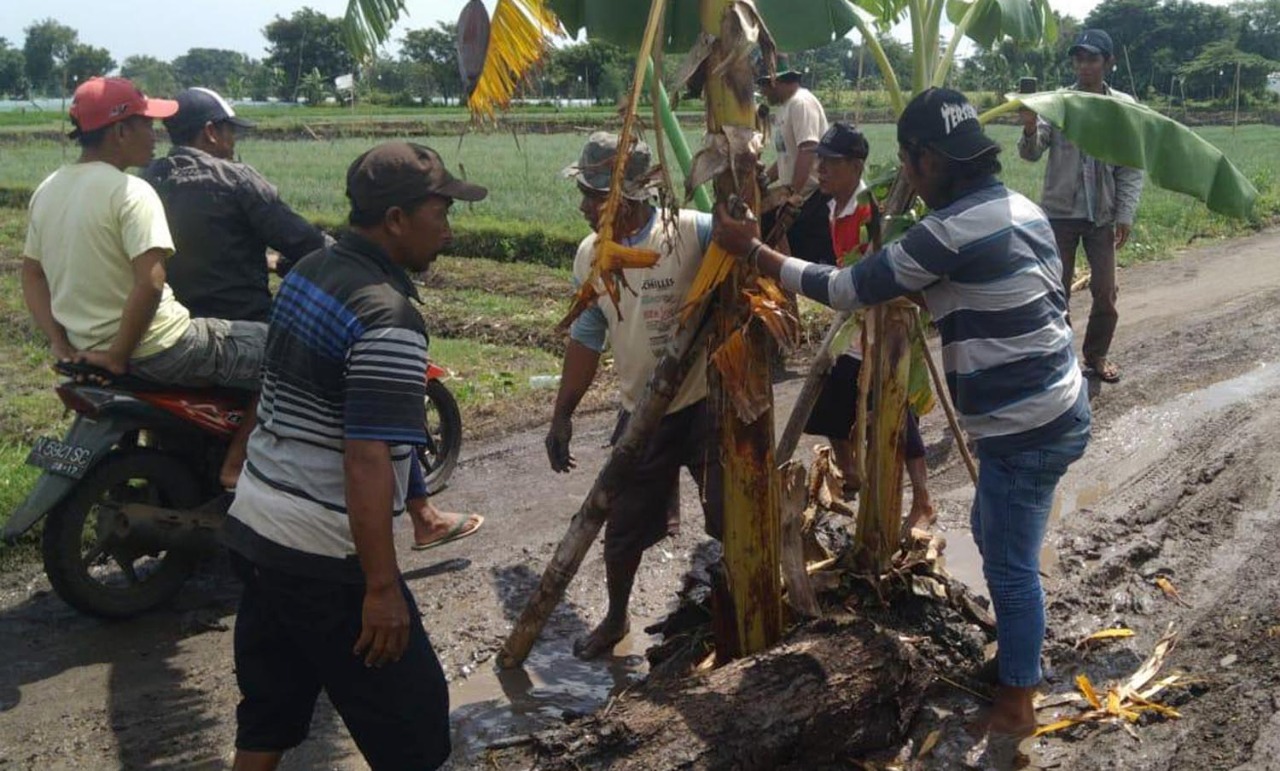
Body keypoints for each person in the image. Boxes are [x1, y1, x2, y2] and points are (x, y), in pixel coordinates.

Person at [713, 89, 1091, 739]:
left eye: (910, 165)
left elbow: (844, 288)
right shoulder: (1018, 207)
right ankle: (1018, 654)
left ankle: (1018, 701)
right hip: (1061, 405)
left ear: (927, 160)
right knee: (998, 527)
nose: (908, 179)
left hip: (1023, 427)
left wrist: (755, 252)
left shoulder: (944, 232)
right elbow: (1018, 287)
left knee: (1007, 559)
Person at [222, 142, 484, 771]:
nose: (448, 231)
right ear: (395, 219)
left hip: (258, 531)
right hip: (322, 556)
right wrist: (381, 589)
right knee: (415, 728)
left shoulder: (310, 268)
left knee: (269, 712)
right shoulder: (387, 318)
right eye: (440, 213)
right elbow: (366, 458)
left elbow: (271, 380)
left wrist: (237, 464)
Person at [144, 86, 481, 549]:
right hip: (241, 327)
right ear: (210, 132)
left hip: (175, 323)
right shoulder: (235, 180)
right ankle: (241, 462)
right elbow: (298, 238)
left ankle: (422, 513)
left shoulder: (147, 178)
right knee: (357, 399)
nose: (232, 141)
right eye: (229, 131)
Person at [21, 76, 260, 489]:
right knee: (289, 354)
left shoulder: (49, 188)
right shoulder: (132, 191)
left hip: (86, 349)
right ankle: (235, 465)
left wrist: (60, 342)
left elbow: (32, 273)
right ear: (119, 131)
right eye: (147, 124)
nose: (156, 135)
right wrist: (118, 355)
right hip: (164, 348)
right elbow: (150, 284)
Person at [545, 132, 722, 660]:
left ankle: (741, 602)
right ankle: (617, 616)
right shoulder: (592, 256)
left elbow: (749, 252)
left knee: (729, 516)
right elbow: (587, 336)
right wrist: (562, 416)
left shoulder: (690, 233)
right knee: (621, 530)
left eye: (594, 195)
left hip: (707, 404)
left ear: (631, 197)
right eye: (583, 192)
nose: (583, 205)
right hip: (642, 414)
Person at [805, 122, 933, 530]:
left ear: (856, 166)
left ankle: (923, 500)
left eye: (831, 163)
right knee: (830, 407)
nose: (821, 170)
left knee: (896, 414)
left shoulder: (872, 209)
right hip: (854, 324)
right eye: (819, 162)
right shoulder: (829, 207)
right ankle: (853, 476)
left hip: (883, 325)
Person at [1019, 28, 1145, 385]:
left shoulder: (1122, 107)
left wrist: (1125, 213)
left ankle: (1096, 354)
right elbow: (1031, 153)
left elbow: (1131, 166)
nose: (1084, 65)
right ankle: (1060, 357)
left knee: (1105, 291)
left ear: (1108, 62)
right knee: (1055, 290)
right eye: (1079, 58)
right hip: (1059, 214)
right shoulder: (1059, 102)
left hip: (1101, 215)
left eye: (1092, 58)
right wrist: (1030, 127)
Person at [757, 68, 835, 266]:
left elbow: (808, 148)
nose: (763, 92)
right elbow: (787, 155)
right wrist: (765, 178)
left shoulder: (801, 103)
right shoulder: (787, 107)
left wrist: (793, 194)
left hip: (812, 198)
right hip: (801, 196)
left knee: (808, 261)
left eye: (763, 86)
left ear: (774, 81)